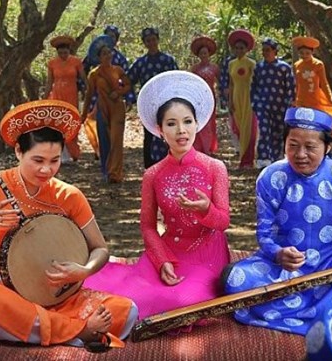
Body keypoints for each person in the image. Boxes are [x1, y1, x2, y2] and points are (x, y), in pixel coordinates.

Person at [0, 100, 137, 348]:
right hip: (6, 292)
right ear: (18, 152)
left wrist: (85, 270)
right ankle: (77, 333)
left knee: (127, 311)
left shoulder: (69, 196)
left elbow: (100, 248)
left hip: (57, 295)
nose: (47, 169)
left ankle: (53, 328)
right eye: (37, 160)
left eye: (54, 160)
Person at [223, 107, 332, 335]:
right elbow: (265, 234)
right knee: (236, 280)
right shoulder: (271, 177)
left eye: (310, 147)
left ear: (327, 147)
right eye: (293, 145)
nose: (300, 154)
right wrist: (279, 254)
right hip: (283, 267)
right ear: (284, 144)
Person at [84, 71, 231, 323]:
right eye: (171, 124)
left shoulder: (215, 168)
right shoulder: (153, 174)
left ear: (197, 124)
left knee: (183, 303)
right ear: (160, 130)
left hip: (207, 253)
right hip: (169, 249)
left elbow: (223, 222)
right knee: (122, 294)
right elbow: (147, 226)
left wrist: (207, 209)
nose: (181, 130)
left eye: (187, 121)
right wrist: (162, 260)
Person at [127, 27, 179, 168]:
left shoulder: (168, 60)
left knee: (168, 132)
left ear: (158, 40)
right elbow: (128, 80)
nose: (151, 43)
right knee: (149, 133)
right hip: (148, 105)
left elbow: (176, 80)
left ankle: (171, 163)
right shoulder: (141, 63)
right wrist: (130, 98)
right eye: (148, 41)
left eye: (153, 40)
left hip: (166, 103)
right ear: (144, 43)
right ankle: (150, 168)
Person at [81, 26, 134, 161]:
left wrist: (126, 96)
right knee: (102, 133)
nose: (107, 55)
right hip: (98, 101)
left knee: (116, 137)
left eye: (113, 36)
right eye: (108, 35)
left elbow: (128, 82)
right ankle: (101, 157)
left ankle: (115, 170)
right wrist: (82, 90)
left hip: (116, 104)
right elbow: (83, 71)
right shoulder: (93, 66)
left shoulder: (120, 61)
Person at [251, 37, 295, 168]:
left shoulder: (284, 67)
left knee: (279, 132)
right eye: (263, 50)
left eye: (268, 50)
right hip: (263, 105)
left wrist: (289, 103)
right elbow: (254, 87)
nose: (265, 53)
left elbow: (290, 87)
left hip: (281, 105)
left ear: (275, 51)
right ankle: (263, 160)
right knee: (264, 131)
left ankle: (277, 159)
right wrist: (255, 103)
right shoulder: (259, 67)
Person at [45, 35, 86, 163]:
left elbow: (84, 79)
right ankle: (61, 154)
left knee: (71, 123)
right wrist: (45, 97)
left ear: (69, 51)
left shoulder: (76, 62)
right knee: (58, 124)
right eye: (61, 53)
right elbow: (49, 82)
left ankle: (73, 152)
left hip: (71, 95)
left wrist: (87, 92)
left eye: (66, 52)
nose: (63, 55)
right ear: (57, 52)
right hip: (57, 96)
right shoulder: (52, 63)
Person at [227, 29, 257, 168]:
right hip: (236, 97)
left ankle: (248, 160)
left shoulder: (251, 64)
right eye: (237, 48)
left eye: (242, 48)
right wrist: (229, 101)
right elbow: (231, 83)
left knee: (248, 128)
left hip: (248, 98)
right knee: (239, 127)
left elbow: (256, 82)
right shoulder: (231, 64)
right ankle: (242, 157)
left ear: (247, 49)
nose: (239, 50)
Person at [189, 35, 220, 155]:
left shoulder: (215, 68)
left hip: (210, 96)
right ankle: (199, 146)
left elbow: (221, 82)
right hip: (198, 97)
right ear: (198, 55)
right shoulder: (194, 68)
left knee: (210, 121)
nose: (203, 55)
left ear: (209, 54)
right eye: (201, 53)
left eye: (205, 53)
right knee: (200, 120)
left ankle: (209, 146)